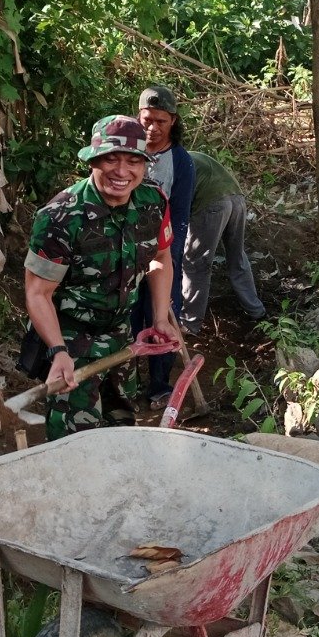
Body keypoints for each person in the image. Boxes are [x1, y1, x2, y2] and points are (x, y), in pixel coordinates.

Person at [24, 115, 180, 439]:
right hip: (71, 342)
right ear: (93, 160)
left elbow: (161, 257)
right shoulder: (59, 218)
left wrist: (161, 317)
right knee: (74, 444)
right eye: (111, 158)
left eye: (133, 161)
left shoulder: (153, 203)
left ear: (144, 164)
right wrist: (58, 352)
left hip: (122, 341)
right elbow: (38, 293)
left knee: (120, 432)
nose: (122, 172)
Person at [130, 85, 194, 409]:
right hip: (125, 251)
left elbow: (180, 217)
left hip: (162, 249)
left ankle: (159, 385)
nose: (152, 128)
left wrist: (172, 256)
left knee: (162, 314)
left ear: (173, 122)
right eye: (147, 120)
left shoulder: (181, 162)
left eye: (161, 122)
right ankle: (125, 382)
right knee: (128, 315)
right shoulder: (127, 153)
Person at [181, 150, 266, 334]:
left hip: (211, 204)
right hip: (237, 199)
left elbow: (176, 207)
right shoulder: (191, 156)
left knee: (196, 263)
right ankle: (256, 311)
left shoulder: (172, 163)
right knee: (237, 257)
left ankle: (189, 323)